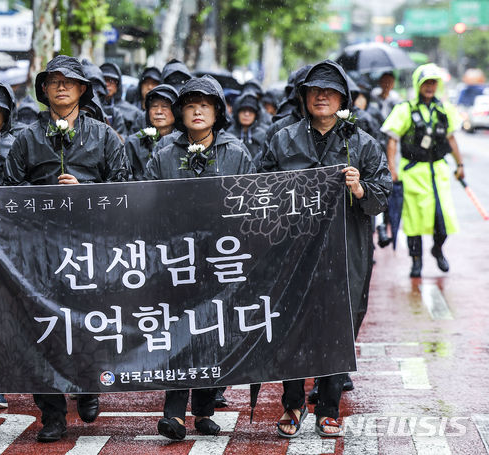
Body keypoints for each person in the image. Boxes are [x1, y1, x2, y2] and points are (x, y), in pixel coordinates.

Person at [260, 60, 391, 438]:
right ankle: (292, 402)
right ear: (303, 97)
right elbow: (258, 188)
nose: (322, 97)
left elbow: (383, 194)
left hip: (345, 248)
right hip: (292, 248)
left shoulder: (361, 143)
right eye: (314, 90)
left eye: (330, 92)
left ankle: (329, 405)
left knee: (338, 323)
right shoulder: (282, 139)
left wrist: (359, 188)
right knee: (290, 323)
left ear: (342, 99)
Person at [5, 55, 126, 443]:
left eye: (69, 82)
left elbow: (124, 188)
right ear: (44, 89)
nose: (60, 86)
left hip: (92, 249)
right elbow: (6, 191)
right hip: (41, 253)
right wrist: (44, 195)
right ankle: (52, 414)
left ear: (82, 90)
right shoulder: (26, 138)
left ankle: (90, 387)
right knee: (47, 330)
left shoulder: (105, 136)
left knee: (91, 323)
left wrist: (85, 194)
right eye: (53, 81)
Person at [147, 76, 255, 441]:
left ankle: (205, 410)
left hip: (221, 259)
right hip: (176, 259)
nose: (197, 111)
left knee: (213, 331)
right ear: (181, 112)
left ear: (217, 112)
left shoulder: (236, 153)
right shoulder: (163, 154)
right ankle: (173, 413)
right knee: (179, 332)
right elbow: (145, 202)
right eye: (191, 105)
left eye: (205, 105)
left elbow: (250, 204)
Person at [381, 64, 464, 278]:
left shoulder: (444, 110)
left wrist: (460, 165)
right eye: (426, 82)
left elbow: (451, 138)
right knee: (414, 221)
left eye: (433, 82)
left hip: (438, 171)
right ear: (419, 85)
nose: (430, 86)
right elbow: (392, 139)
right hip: (414, 173)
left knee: (442, 220)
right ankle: (416, 261)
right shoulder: (405, 109)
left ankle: (437, 249)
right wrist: (392, 168)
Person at [124, 84, 178, 181]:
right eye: (154, 106)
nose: (159, 111)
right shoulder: (133, 143)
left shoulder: (185, 141)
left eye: (165, 106)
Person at [101, 62, 144, 136]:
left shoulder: (134, 112)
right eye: (104, 80)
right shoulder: (89, 108)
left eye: (111, 81)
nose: (107, 84)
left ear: (118, 85)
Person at [229, 86, 269, 160]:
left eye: (251, 111)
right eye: (243, 110)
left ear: (256, 114)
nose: (247, 114)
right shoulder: (229, 134)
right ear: (237, 113)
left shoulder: (263, 135)